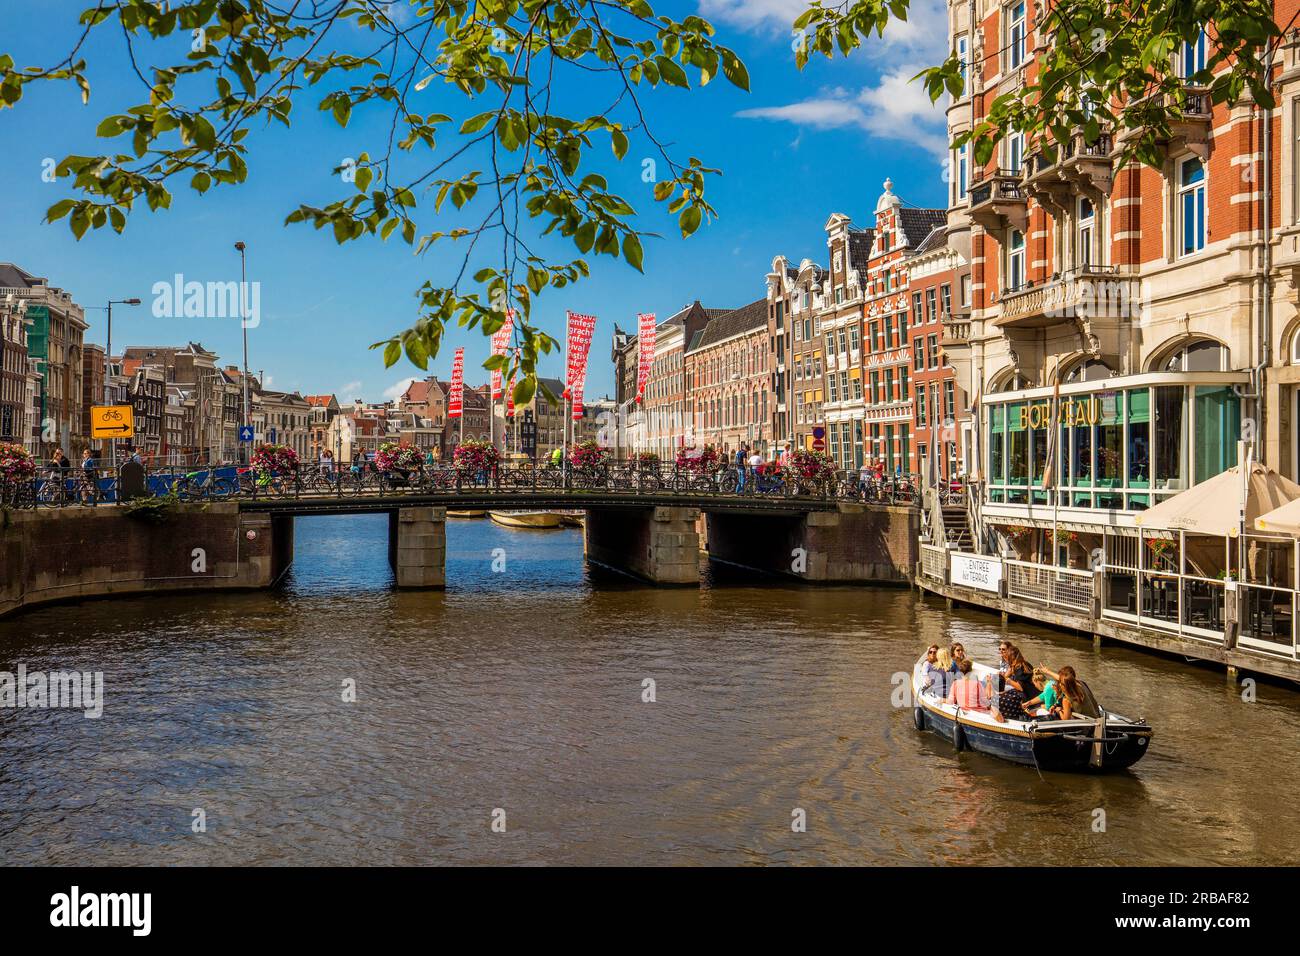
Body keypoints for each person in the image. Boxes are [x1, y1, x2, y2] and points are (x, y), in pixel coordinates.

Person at [993, 646, 1035, 723]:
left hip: (1027, 695)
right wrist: (1002, 676)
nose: (1005, 659)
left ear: (1011, 657)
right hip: (1033, 691)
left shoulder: (1019, 669)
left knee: (1000, 693)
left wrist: (1007, 680)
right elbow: (1007, 675)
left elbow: (1020, 687)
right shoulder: (1023, 663)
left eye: (1007, 657)